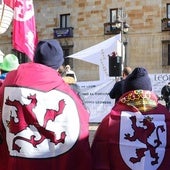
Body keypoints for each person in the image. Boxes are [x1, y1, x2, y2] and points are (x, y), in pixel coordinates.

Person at [0, 39, 92, 170]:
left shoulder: (11, 80)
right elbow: (81, 126)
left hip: (17, 161)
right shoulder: (68, 92)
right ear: (58, 63)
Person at [91, 67, 170, 170]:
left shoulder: (109, 120)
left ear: (126, 91)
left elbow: (98, 158)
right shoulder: (167, 117)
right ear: (149, 90)